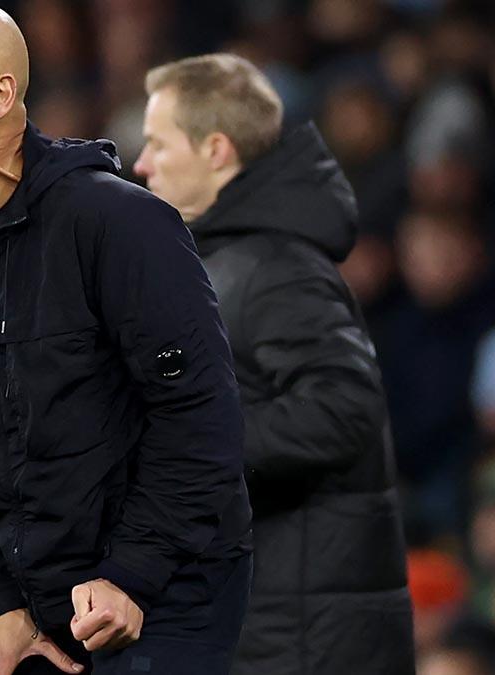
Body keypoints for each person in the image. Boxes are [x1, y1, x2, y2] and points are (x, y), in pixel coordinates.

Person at [0, 3, 252, 674]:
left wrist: (131, 573)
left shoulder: (119, 223)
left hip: (167, 594)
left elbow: (198, 417)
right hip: (32, 605)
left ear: (0, 96)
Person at [133, 53, 414, 675]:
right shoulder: (226, 261)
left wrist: (191, 446)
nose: (143, 163)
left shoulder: (278, 267)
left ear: (216, 150)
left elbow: (345, 408)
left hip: (307, 641)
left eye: (158, 143)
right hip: (267, 626)